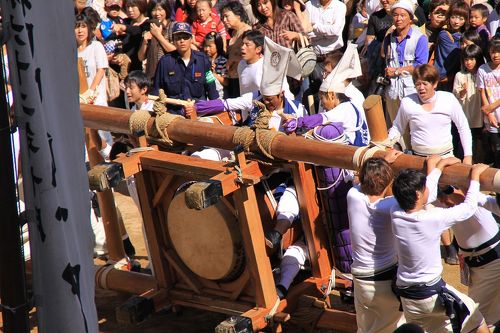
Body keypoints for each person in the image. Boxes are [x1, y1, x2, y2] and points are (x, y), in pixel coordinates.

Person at [391, 158, 490, 333]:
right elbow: (468, 208)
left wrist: (438, 168)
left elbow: (428, 196)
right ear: (418, 195)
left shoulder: (396, 212)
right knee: (477, 321)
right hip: (433, 295)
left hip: (408, 298)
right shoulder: (432, 218)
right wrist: (474, 176)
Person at [347, 153, 406, 333]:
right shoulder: (392, 206)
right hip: (385, 278)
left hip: (360, 279)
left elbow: (358, 181)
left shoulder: (353, 196)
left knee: (365, 328)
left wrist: (382, 164)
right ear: (389, 182)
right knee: (397, 326)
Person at [438, 186, 500, 328]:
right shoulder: (441, 201)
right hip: (473, 265)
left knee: (474, 318)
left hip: (492, 262)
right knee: (487, 315)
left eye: (449, 190)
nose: (443, 197)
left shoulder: (475, 199)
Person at [387, 64, 473, 163]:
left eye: (425, 83)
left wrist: (468, 155)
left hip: (445, 158)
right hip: (418, 159)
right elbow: (397, 128)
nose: (421, 88)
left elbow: (463, 127)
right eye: (418, 84)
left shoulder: (448, 99)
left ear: (435, 84)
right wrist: (388, 146)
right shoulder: (408, 102)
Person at [151, 22, 218, 115]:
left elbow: (212, 89)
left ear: (191, 39)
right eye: (178, 38)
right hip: (173, 114)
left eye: (185, 37)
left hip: (199, 113)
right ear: (173, 41)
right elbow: (156, 91)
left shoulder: (202, 60)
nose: (182, 40)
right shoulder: (165, 62)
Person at [382, 0, 429, 127]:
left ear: (410, 18)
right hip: (392, 90)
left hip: (411, 90)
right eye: (395, 15)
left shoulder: (420, 38)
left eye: (402, 15)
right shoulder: (389, 37)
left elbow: (421, 65)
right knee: (394, 127)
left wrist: (397, 71)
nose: (398, 19)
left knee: (412, 127)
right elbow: (384, 57)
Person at [453, 44, 484, 162]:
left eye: (472, 59)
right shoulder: (460, 75)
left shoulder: (481, 73)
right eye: (466, 59)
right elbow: (455, 96)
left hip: (480, 115)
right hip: (466, 115)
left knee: (480, 143)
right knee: (466, 142)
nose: (469, 62)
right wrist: (462, 92)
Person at [434, 1, 469, 90]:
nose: (456, 22)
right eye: (453, 17)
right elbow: (452, 54)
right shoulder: (443, 35)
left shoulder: (466, 36)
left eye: (461, 19)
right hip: (443, 78)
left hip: (460, 79)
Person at [138, 0, 176, 81]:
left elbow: (175, 50)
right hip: (151, 75)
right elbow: (141, 57)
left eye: (160, 9)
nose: (157, 13)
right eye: (154, 10)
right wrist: (145, 42)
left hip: (170, 72)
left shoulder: (173, 27)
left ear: (166, 10)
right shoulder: (148, 28)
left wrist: (158, 35)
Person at [477, 38, 500, 168]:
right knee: (496, 149)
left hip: (492, 109)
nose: (495, 55)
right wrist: (489, 113)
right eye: (492, 51)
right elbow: (482, 92)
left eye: (498, 51)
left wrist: (491, 107)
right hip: (491, 117)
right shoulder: (483, 69)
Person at [221, 1, 251, 97]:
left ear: (238, 15)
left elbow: (252, 56)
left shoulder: (247, 32)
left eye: (227, 16)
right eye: (223, 17)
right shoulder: (233, 33)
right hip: (232, 77)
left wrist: (233, 59)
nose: (224, 20)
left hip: (243, 78)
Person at [202, 32, 228, 99]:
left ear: (218, 46)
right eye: (205, 46)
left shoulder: (223, 61)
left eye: (210, 46)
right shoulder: (202, 59)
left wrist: (213, 74)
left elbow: (226, 82)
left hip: (220, 95)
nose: (207, 49)